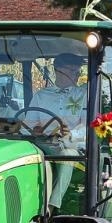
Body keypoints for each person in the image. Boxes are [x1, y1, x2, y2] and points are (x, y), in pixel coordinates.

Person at [27, 52, 88, 209]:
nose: (76, 75)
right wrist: (35, 130)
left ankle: (51, 207)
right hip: (44, 144)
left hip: (72, 146)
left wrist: (71, 134)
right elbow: (27, 126)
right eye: (72, 71)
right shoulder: (41, 96)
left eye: (78, 71)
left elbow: (88, 127)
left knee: (66, 154)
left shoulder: (83, 94)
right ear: (58, 70)